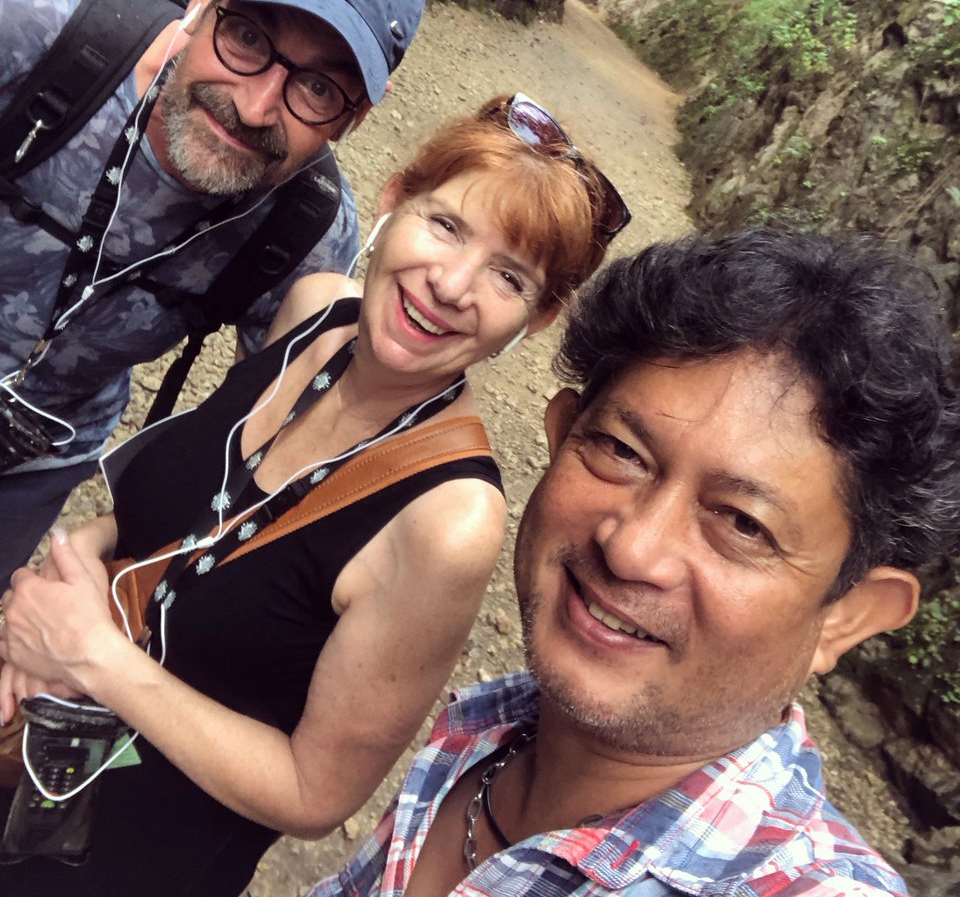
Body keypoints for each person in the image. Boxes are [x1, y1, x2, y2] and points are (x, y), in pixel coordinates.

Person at [0, 94, 629, 896]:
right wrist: (68, 575)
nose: (450, 284)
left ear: (536, 319)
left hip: (133, 854)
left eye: (509, 277)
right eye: (445, 225)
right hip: (35, 732)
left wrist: (93, 654)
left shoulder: (448, 520)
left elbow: (315, 794)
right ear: (396, 197)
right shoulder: (313, 311)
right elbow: (190, 516)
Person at [304, 230, 960, 897]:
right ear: (562, 434)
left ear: (847, 616)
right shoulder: (486, 732)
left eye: (743, 523)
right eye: (622, 452)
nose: (631, 548)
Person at [0, 0, 427, 589]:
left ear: (353, 120)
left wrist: (127, 576)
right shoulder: (37, 36)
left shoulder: (306, 238)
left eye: (318, 89)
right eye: (249, 38)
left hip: (37, 456)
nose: (254, 107)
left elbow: (274, 448)